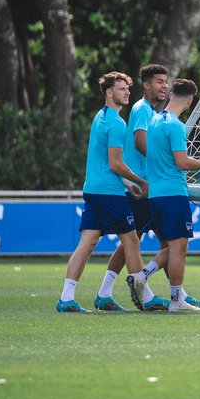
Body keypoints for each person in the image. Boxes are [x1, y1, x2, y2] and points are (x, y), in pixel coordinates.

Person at [57, 72, 149, 313]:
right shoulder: (117, 123)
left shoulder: (101, 116)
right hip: (109, 192)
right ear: (109, 92)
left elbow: (105, 162)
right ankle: (146, 296)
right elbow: (115, 164)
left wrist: (129, 185)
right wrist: (140, 181)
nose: (127, 92)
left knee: (87, 243)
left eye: (128, 89)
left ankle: (67, 298)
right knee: (131, 240)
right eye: (121, 89)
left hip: (93, 189)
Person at [143, 77, 200, 312]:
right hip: (173, 193)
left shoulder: (154, 121)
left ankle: (143, 275)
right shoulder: (176, 126)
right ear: (190, 100)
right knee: (179, 248)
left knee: (171, 247)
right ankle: (176, 300)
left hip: (156, 195)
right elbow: (182, 162)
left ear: (171, 94)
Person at [122, 64, 175, 311]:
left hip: (147, 187)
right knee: (170, 243)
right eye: (159, 81)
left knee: (138, 241)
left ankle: (178, 293)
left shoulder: (150, 111)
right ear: (146, 85)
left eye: (166, 81)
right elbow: (141, 143)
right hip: (143, 187)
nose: (164, 85)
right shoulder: (143, 109)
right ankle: (172, 294)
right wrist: (165, 161)